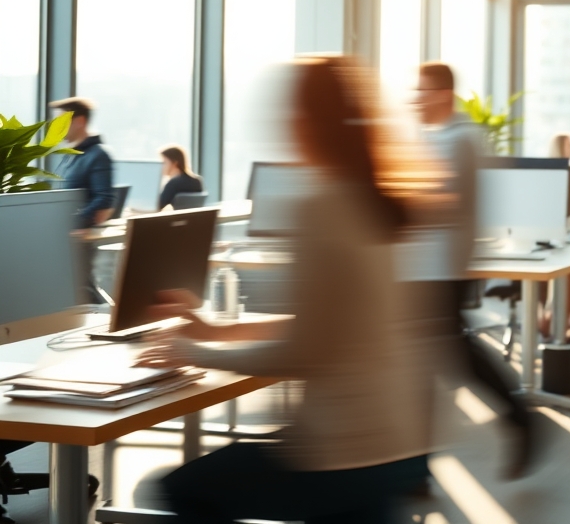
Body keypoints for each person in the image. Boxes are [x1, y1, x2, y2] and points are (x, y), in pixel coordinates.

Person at [138, 57, 437, 524]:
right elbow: (332, 325)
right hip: (400, 441)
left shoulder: (320, 204)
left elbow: (303, 352)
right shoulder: (376, 197)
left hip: (340, 451)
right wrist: (215, 332)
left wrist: (190, 350)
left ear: (307, 122)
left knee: (181, 490)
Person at [413, 61, 533, 478]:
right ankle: (416, 469)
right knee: (428, 364)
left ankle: (520, 417)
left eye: (423, 91)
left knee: (453, 359)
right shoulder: (440, 136)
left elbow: (445, 200)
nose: (416, 99)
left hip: (439, 269)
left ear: (443, 94)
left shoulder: (461, 138)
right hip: (423, 267)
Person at [49, 97, 115, 228]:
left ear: (79, 121)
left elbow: (104, 199)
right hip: (58, 232)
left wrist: (73, 222)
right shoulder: (69, 155)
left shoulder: (98, 154)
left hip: (75, 236)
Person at [157, 145, 204, 211]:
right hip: (193, 220)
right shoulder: (197, 181)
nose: (160, 166)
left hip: (176, 220)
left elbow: (157, 206)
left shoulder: (173, 184)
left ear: (175, 163)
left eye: (164, 163)